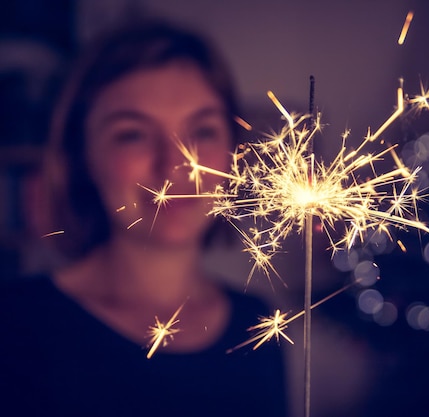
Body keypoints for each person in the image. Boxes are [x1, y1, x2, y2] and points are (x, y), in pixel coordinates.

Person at [0, 20, 287, 417]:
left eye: (202, 131)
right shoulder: (14, 328)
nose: (175, 166)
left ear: (233, 152)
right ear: (82, 158)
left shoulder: (259, 326)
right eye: (132, 134)